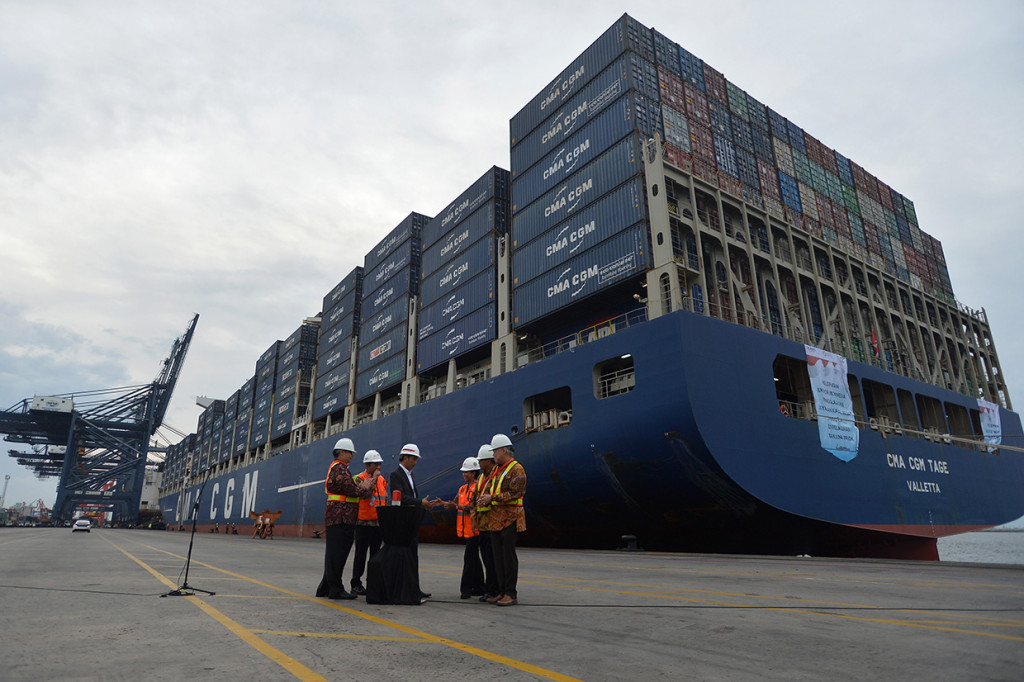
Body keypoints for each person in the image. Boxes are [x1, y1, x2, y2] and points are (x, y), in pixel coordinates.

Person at [315, 437, 380, 600]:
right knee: (338, 554)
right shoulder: (340, 469)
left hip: (337, 516)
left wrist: (357, 482)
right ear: (342, 452)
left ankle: (325, 587)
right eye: (350, 453)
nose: (352, 456)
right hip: (341, 517)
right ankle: (335, 589)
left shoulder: (338, 469)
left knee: (333, 554)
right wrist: (371, 482)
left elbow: (347, 487)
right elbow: (355, 492)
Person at [477, 433, 526, 607]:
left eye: (495, 452)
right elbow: (490, 488)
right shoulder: (497, 470)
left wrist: (493, 498)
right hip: (495, 520)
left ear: (504, 450)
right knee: (497, 558)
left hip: (510, 518)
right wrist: (484, 497)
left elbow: (516, 493)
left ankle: (510, 593)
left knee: (508, 557)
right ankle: (501, 591)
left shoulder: (517, 469)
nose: (493, 455)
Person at [388, 443, 442, 599]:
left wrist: (425, 504)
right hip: (403, 523)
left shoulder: (410, 476)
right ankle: (407, 588)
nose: (415, 462)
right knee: (406, 556)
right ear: (405, 458)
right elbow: (400, 497)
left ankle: (414, 588)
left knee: (413, 556)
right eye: (413, 459)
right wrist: (420, 503)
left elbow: (411, 498)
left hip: (412, 522)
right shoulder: (396, 475)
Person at [442, 455, 486, 599]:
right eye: (463, 472)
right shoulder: (462, 489)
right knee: (474, 559)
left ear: (474, 473)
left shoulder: (478, 488)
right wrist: (444, 504)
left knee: (469, 559)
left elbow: (474, 506)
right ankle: (480, 587)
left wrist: (457, 506)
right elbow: (453, 502)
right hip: (467, 530)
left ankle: (465, 590)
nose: (464, 474)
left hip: (475, 529)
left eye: (466, 472)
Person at [350, 449, 388, 596]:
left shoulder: (382, 480)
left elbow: (384, 498)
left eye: (380, 464)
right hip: (363, 524)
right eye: (376, 464)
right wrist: (373, 478)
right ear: (368, 465)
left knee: (375, 555)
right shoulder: (359, 478)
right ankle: (356, 583)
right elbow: (365, 493)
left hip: (377, 524)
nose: (379, 467)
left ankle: (373, 582)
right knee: (360, 554)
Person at [471, 443, 499, 603]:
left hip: (493, 524)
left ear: (488, 461)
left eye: (481, 461)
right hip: (482, 525)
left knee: (493, 560)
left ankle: (494, 590)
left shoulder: (496, 475)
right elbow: (475, 499)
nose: (479, 464)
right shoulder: (481, 477)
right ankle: (490, 590)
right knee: (487, 559)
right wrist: (474, 519)